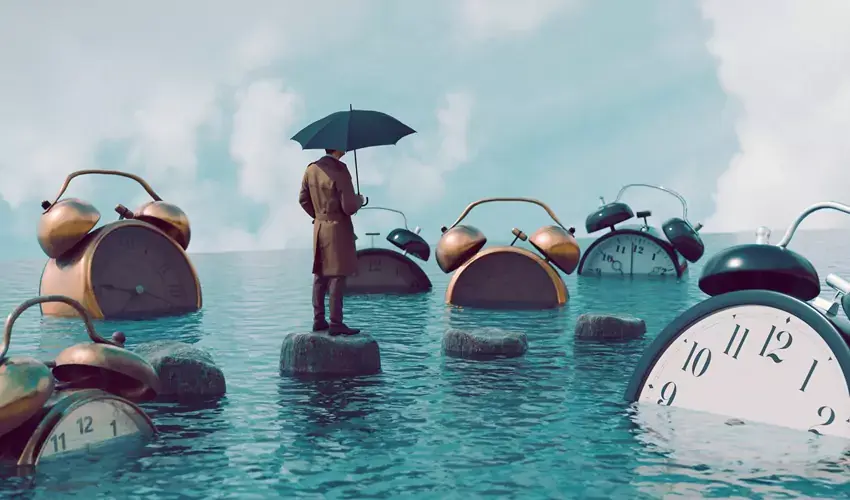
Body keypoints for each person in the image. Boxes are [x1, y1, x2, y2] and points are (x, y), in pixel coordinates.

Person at [299, 148, 366, 335]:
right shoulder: (340, 170)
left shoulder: (311, 169)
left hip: (319, 228)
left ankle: (318, 320)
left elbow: (303, 199)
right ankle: (336, 323)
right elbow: (349, 207)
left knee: (320, 274)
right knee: (337, 275)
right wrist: (359, 200)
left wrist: (319, 215)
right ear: (338, 147)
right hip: (337, 228)